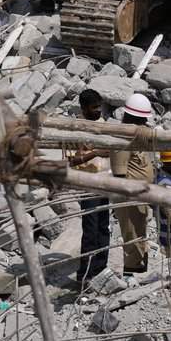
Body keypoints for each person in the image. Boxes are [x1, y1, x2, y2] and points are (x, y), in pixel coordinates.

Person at [67, 89, 110, 285]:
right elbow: (71, 160)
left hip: (104, 181)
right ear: (84, 108)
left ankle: (101, 267)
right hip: (88, 185)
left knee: (103, 227)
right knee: (90, 230)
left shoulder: (103, 124)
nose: (98, 110)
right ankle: (85, 274)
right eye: (94, 107)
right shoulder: (76, 129)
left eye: (99, 106)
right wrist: (95, 153)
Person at [109, 93, 155, 276]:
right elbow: (120, 175)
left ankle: (140, 270)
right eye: (142, 120)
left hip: (140, 196)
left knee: (139, 234)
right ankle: (132, 274)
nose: (145, 123)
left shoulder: (135, 137)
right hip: (129, 197)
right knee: (132, 236)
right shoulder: (122, 139)